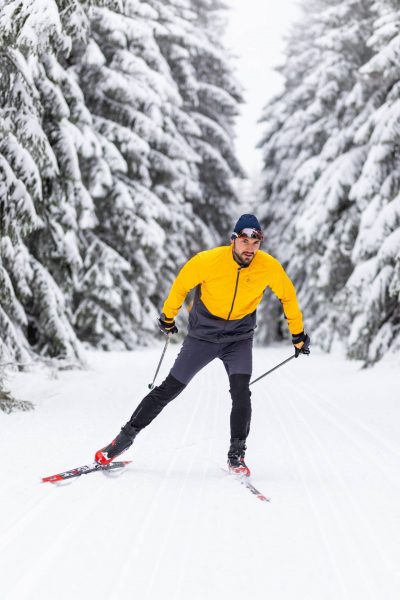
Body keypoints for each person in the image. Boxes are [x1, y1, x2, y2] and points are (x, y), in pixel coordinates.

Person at [95, 214, 310, 476]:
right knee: (170, 388)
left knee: (241, 392)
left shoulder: (268, 267)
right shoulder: (207, 261)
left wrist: (297, 335)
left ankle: (236, 456)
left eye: (256, 243)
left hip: (239, 338)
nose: (250, 249)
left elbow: (288, 297)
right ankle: (122, 440)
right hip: (203, 337)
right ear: (234, 239)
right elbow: (181, 285)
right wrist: (168, 316)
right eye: (244, 241)